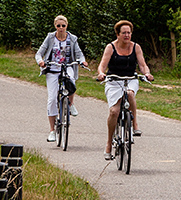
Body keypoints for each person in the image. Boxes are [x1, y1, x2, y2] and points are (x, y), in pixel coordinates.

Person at [95, 20, 153, 160]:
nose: (127, 35)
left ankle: (134, 124)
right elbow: (102, 65)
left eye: (129, 33)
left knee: (130, 94)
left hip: (130, 79)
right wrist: (101, 74)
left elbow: (142, 64)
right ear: (118, 34)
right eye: (124, 33)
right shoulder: (111, 47)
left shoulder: (136, 47)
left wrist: (146, 73)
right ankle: (109, 144)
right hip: (114, 80)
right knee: (114, 111)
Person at [35, 15, 89, 143]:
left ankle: (70, 104)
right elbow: (39, 53)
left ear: (67, 26)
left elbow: (79, 53)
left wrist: (83, 61)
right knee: (52, 98)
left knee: (71, 82)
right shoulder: (50, 37)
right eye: (58, 26)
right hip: (53, 68)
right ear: (55, 26)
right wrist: (41, 62)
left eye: (63, 26)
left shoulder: (72, 38)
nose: (60, 28)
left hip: (67, 66)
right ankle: (52, 130)